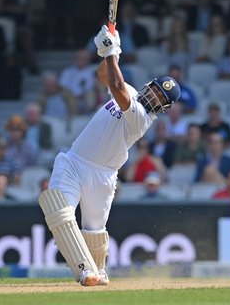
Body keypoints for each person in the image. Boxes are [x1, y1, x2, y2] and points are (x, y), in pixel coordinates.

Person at [38, 25, 180, 287]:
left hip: (103, 175)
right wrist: (109, 49)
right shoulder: (131, 91)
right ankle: (84, 272)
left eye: (161, 97)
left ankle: (98, 271)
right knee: (59, 211)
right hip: (73, 162)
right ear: (150, 85)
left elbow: (115, 85)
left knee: (94, 231)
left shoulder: (141, 118)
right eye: (156, 89)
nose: (154, 96)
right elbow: (105, 76)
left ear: (163, 107)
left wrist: (113, 51)